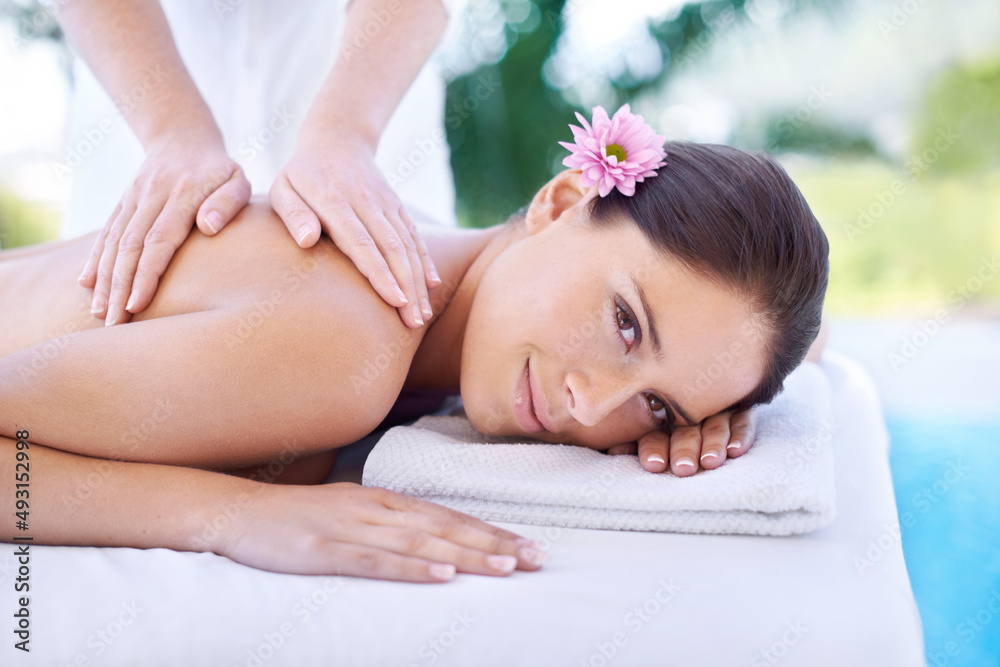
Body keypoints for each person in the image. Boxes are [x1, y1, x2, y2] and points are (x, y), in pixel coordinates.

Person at [0, 124, 829, 582]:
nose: (592, 404)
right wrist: (229, 516)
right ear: (563, 200)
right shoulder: (346, 346)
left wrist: (712, 410)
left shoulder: (418, 270)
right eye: (624, 324)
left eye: (655, 405)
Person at [52, 0, 458, 333]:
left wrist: (346, 133)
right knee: (112, 334)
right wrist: (171, 131)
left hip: (373, 116)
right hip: (136, 107)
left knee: (386, 329)